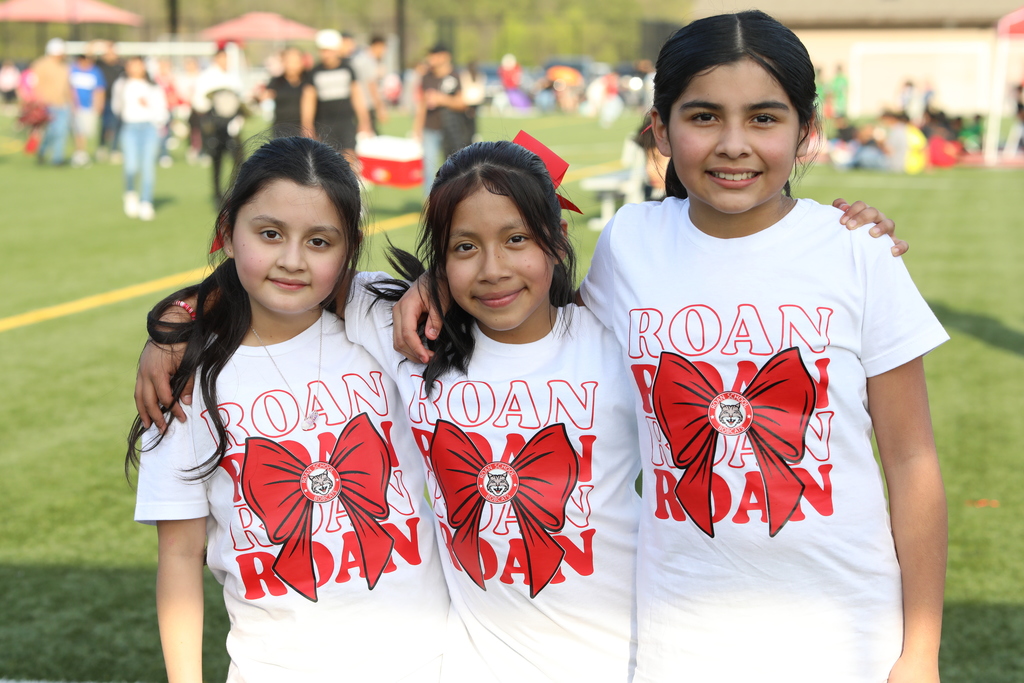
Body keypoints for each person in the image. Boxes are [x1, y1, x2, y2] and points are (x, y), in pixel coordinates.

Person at [391, 11, 944, 683]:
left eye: (765, 119)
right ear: (659, 128)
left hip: (846, 632)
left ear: (809, 133)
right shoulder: (632, 242)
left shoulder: (858, 253)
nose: (733, 144)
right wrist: (438, 276)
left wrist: (921, 651)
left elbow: (912, 460)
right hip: (680, 639)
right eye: (704, 116)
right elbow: (519, 237)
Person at [127, 136, 449, 682]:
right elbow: (180, 555)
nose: (293, 260)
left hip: (429, 660)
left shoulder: (384, 322)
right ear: (228, 231)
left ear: (349, 250)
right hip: (276, 668)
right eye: (270, 234)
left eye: (320, 241)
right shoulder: (187, 379)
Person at [301, 29, 372, 160]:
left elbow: (357, 96)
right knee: (328, 160)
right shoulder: (315, 72)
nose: (326, 54)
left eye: (329, 50)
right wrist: (307, 125)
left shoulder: (347, 69)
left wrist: (364, 120)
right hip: (324, 122)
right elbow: (308, 100)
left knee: (349, 157)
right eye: (323, 50)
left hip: (346, 122)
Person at [111, 56, 167, 221]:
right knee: (131, 165)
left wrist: (148, 107)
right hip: (130, 128)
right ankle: (130, 193)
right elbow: (116, 107)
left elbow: (162, 110)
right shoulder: (121, 85)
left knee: (148, 166)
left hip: (149, 128)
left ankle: (146, 201)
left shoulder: (153, 87)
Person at [413, 45, 467, 196]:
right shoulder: (426, 77)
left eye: (434, 55)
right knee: (428, 168)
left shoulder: (455, 76)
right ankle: (430, 203)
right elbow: (421, 105)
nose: (431, 59)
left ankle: (452, 199)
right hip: (430, 128)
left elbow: (462, 103)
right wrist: (417, 128)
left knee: (452, 168)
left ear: (445, 56)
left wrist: (442, 99)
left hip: (450, 129)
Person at [192, 49, 245, 202]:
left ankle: (235, 191)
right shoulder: (207, 77)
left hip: (232, 123)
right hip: (215, 123)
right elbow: (199, 102)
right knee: (217, 159)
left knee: (239, 158)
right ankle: (217, 194)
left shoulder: (232, 77)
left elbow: (240, 100)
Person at [29, 38, 73, 166]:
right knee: (51, 131)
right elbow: (34, 84)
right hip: (47, 104)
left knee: (61, 131)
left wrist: (71, 102)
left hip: (63, 104)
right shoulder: (41, 65)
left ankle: (57, 158)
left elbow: (67, 86)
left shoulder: (65, 66)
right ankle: (42, 151)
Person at [261, 46, 311, 136]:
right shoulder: (277, 81)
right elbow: (265, 96)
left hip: (302, 128)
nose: (292, 66)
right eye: (289, 61)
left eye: (295, 62)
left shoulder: (308, 81)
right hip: (281, 128)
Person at [69, 51, 107, 167]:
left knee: (86, 132)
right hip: (75, 107)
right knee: (78, 131)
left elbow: (100, 90)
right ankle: (79, 153)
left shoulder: (95, 72)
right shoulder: (72, 71)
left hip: (89, 107)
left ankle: (83, 153)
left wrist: (99, 105)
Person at [349, 35, 389, 134]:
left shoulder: (360, 58)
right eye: (383, 48)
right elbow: (372, 86)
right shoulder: (368, 61)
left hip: (358, 104)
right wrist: (380, 108)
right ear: (377, 45)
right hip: (365, 106)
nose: (384, 52)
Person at [95, 41, 123, 162]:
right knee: (105, 125)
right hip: (105, 100)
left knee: (117, 125)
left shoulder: (121, 66)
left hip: (117, 101)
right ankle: (102, 146)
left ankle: (114, 149)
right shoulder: (99, 65)